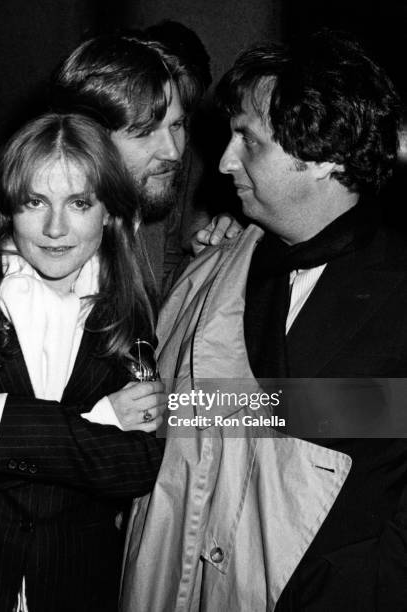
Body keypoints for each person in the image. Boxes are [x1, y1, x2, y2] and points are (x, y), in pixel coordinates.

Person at [121, 30, 407, 611]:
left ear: (324, 154)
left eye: (247, 140)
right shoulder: (222, 264)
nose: (222, 161)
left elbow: (360, 411)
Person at [0, 113, 166, 611]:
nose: (56, 228)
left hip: (75, 588)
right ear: (7, 208)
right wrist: (97, 423)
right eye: (35, 202)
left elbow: (137, 465)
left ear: (111, 213)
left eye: (79, 203)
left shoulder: (128, 308)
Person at [0, 27, 240, 298]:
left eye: (176, 125)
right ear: (87, 134)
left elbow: (153, 308)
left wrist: (205, 261)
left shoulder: (150, 199)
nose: (172, 152)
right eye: (144, 132)